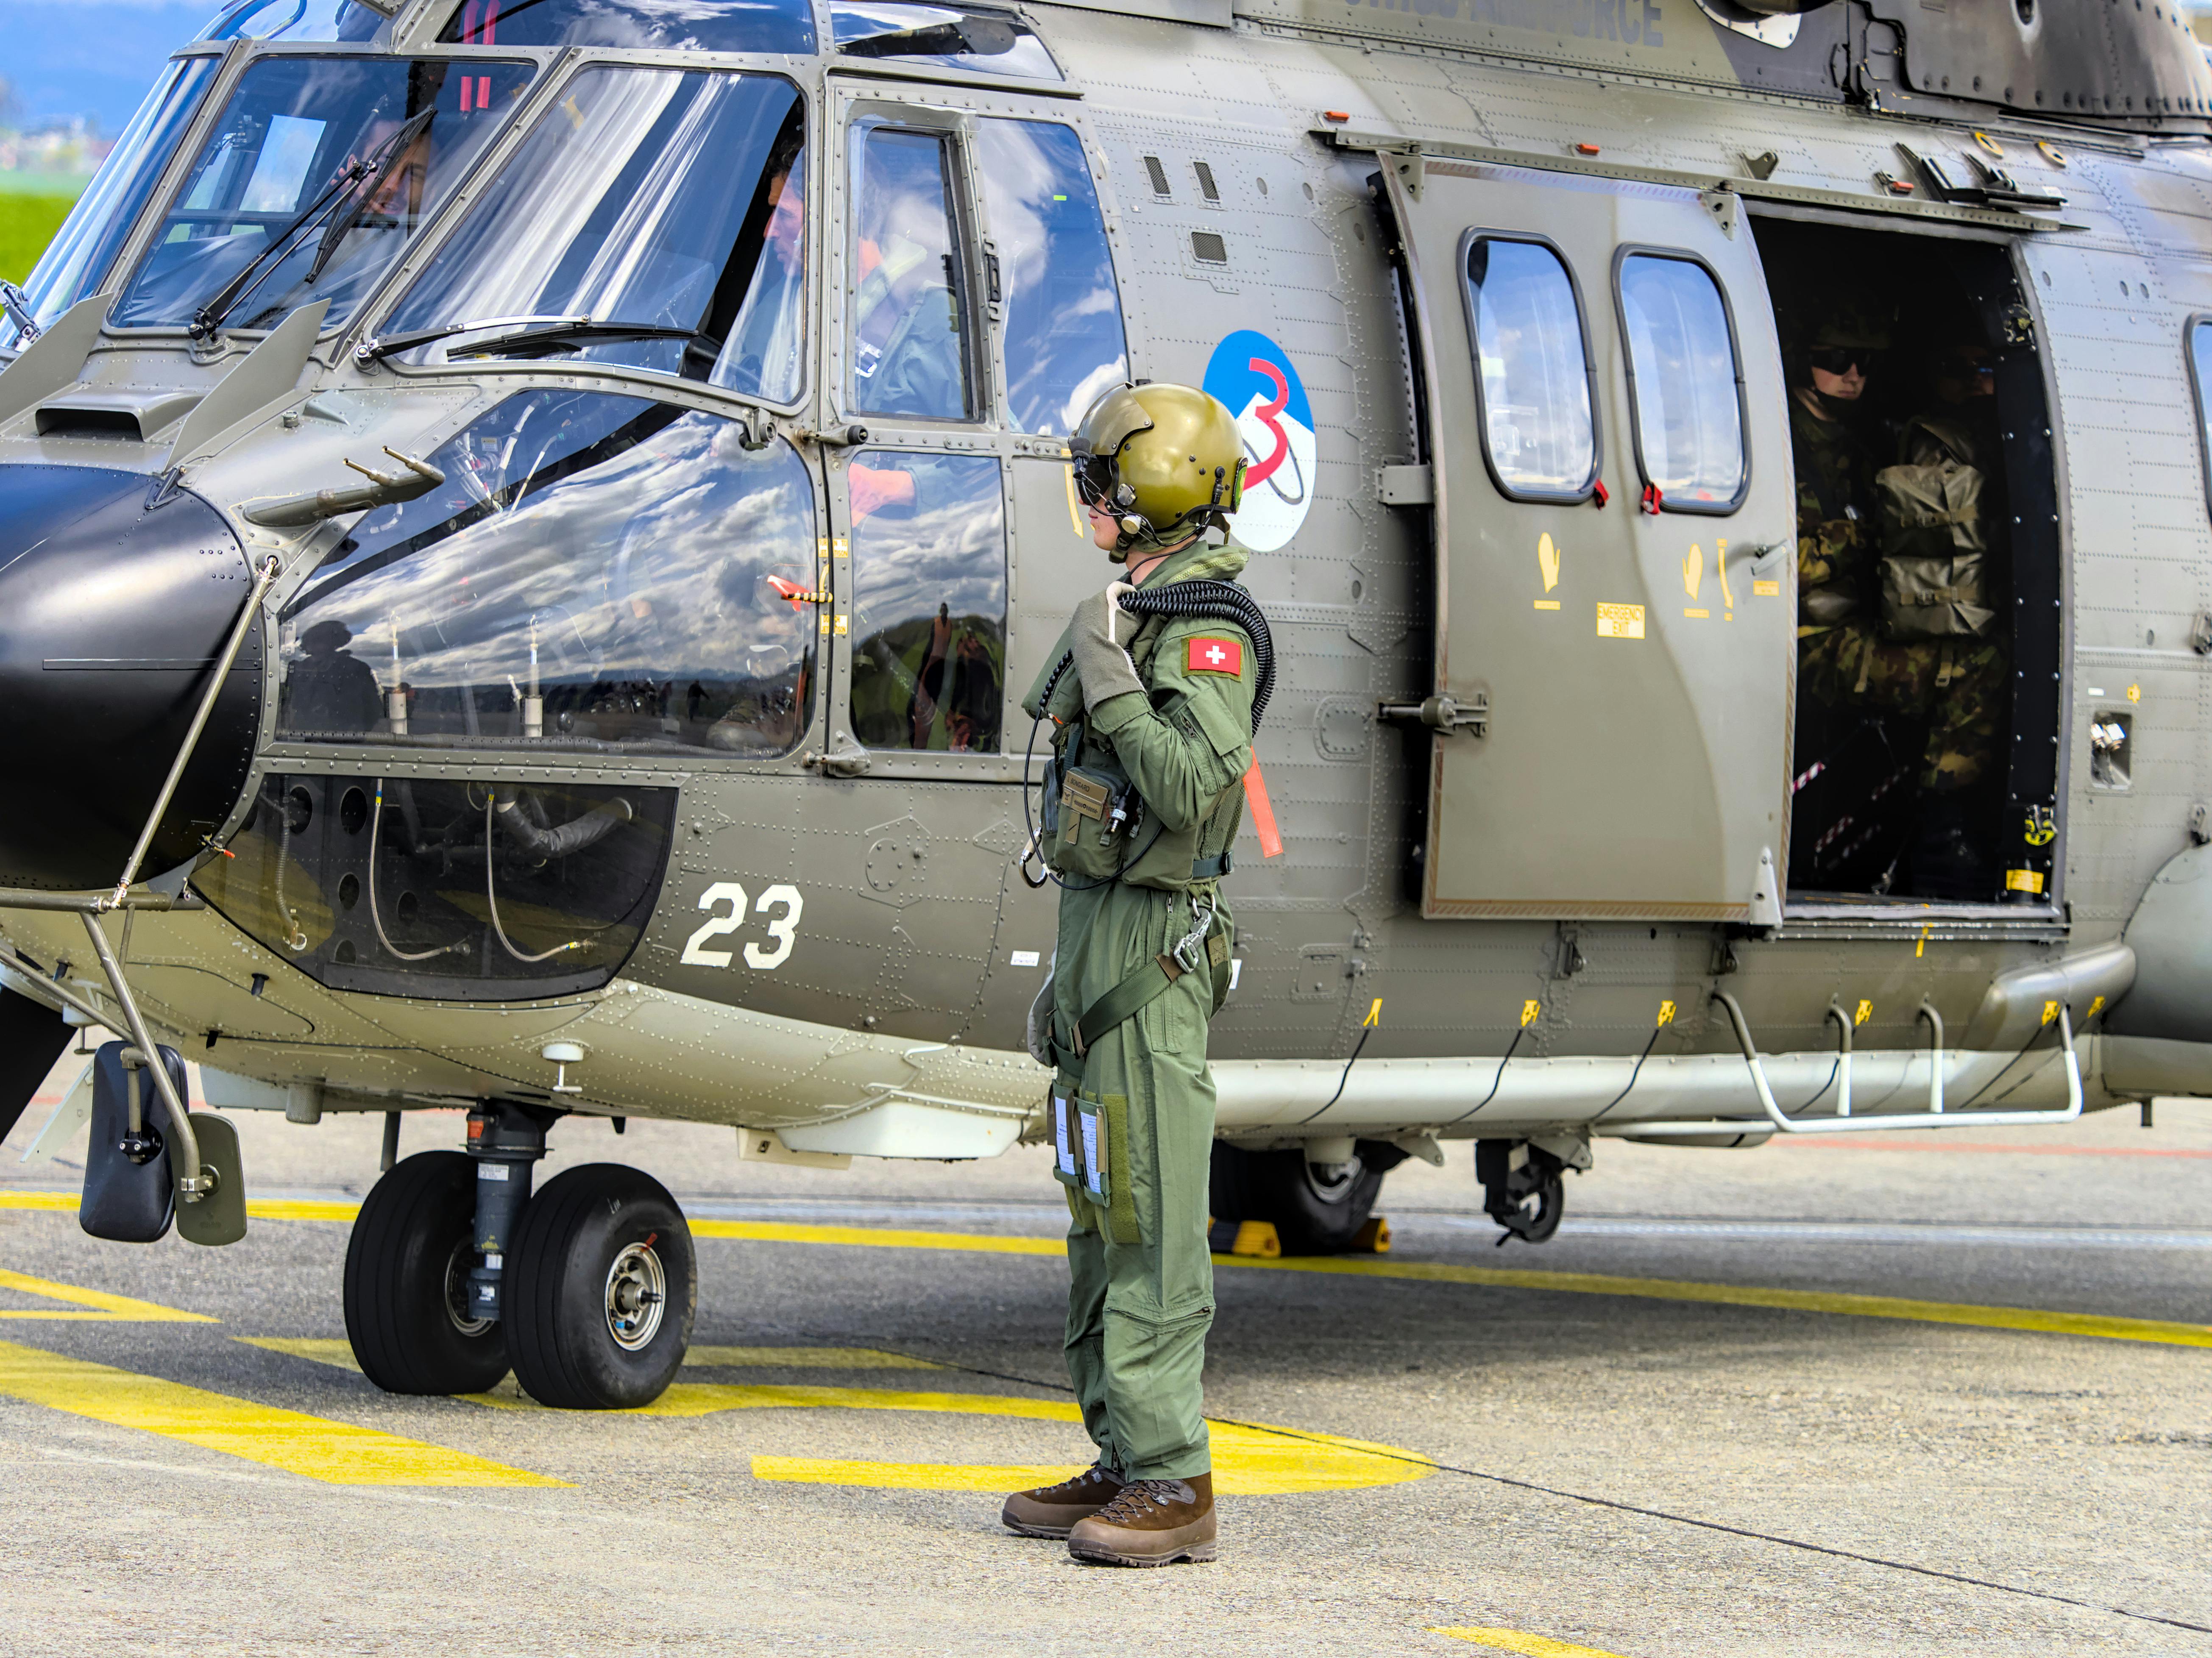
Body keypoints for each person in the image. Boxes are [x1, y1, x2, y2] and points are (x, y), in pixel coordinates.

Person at [1002, 383, 1256, 1567]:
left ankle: (1174, 1478)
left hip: (1154, 951)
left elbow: (1194, 789)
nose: (1092, 499)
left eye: (1107, 479)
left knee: (1149, 1215)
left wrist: (1107, 670)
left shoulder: (1208, 630)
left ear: (1150, 489)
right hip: (1104, 935)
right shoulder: (1137, 607)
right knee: (1102, 1204)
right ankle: (1119, 1450)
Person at [1791, 306, 2004, 898]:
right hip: (1804, 641)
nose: (1852, 374)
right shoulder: (1773, 441)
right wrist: (1869, 533)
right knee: (1977, 665)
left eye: (1864, 363)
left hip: (1855, 623)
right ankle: (1942, 839)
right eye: (1835, 361)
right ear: (1798, 362)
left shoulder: (1863, 447)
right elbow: (1779, 563)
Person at [284, 619, 384, 734]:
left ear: (335, 643)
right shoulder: (299, 668)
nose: (316, 646)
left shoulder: (357, 669)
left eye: (322, 640)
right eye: (314, 641)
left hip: (346, 739)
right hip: (302, 736)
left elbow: (373, 711)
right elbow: (291, 704)